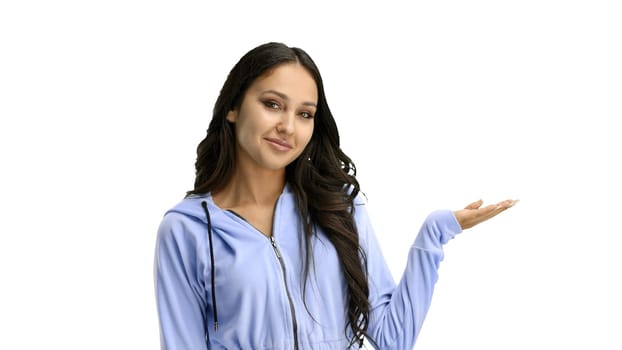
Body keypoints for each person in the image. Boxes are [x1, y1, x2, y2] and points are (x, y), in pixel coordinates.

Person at [153, 41, 517, 350]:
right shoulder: (188, 229)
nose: (288, 126)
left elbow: (393, 338)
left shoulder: (336, 205)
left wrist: (434, 234)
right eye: (272, 104)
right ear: (233, 107)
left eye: (305, 113)